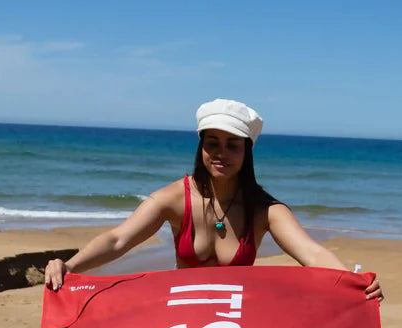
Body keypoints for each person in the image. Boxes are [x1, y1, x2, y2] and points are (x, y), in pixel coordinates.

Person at [44, 99, 383, 301]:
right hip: (179, 320)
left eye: (232, 145)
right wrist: (69, 266)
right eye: (212, 143)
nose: (221, 153)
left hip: (233, 327)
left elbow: (311, 253)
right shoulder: (174, 198)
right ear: (201, 147)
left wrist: (354, 283)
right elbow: (118, 239)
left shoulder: (266, 210)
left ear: (246, 151)